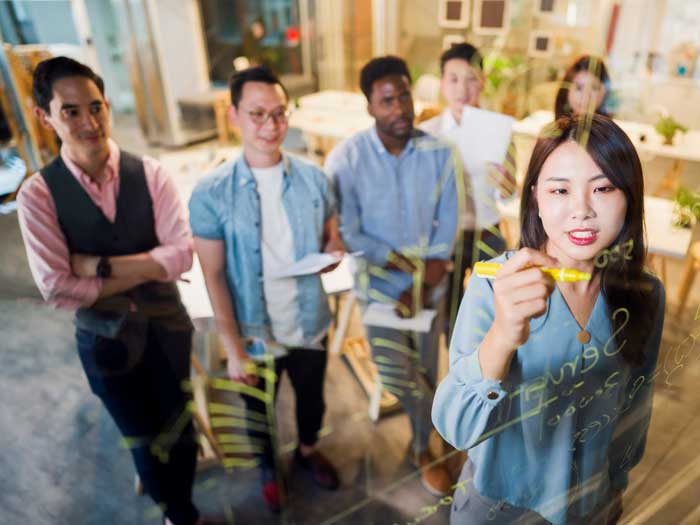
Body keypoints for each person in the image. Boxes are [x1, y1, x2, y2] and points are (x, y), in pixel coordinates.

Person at [432, 114, 665, 525]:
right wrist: (503, 334)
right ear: (535, 196)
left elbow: (634, 408)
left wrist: (616, 485)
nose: (581, 210)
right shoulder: (495, 286)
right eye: (560, 189)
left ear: (629, 196)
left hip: (592, 506)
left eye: (604, 187)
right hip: (498, 507)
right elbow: (456, 427)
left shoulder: (645, 294)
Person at [17, 57, 204, 525]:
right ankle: (176, 512)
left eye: (95, 107)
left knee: (179, 430)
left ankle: (183, 506)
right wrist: (148, 265)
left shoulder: (152, 174)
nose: (89, 122)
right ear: (45, 117)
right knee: (141, 438)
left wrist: (95, 267)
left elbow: (182, 256)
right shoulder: (38, 195)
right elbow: (57, 287)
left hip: (167, 329)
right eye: (71, 111)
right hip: (105, 341)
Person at [189, 66, 343, 513]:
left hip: (307, 317)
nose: (270, 126)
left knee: (312, 402)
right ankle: (267, 469)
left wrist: (333, 248)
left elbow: (330, 235)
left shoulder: (314, 178)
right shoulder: (211, 192)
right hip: (253, 330)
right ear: (234, 113)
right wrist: (232, 347)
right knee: (258, 412)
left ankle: (308, 452)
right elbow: (213, 275)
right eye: (257, 114)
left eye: (279, 114)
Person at [326, 55, 459, 496]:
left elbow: (448, 217)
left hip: (431, 287)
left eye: (404, 95)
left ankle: (423, 447)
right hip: (378, 291)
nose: (400, 107)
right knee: (399, 373)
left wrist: (427, 277)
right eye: (387, 101)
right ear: (369, 107)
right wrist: (403, 267)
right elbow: (348, 230)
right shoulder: (347, 158)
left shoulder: (440, 153)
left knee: (426, 365)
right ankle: (442, 430)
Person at [420, 42, 517, 338]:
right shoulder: (428, 132)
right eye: (453, 79)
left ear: (483, 82)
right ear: (442, 84)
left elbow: (509, 193)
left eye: (471, 78)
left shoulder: (499, 131)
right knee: (448, 317)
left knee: (493, 315)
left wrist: (509, 184)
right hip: (447, 237)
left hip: (487, 231)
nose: (462, 88)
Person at [554, 55, 613, 120]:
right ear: (567, 91)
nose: (585, 96)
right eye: (579, 88)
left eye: (594, 88)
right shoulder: (554, 129)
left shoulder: (609, 129)